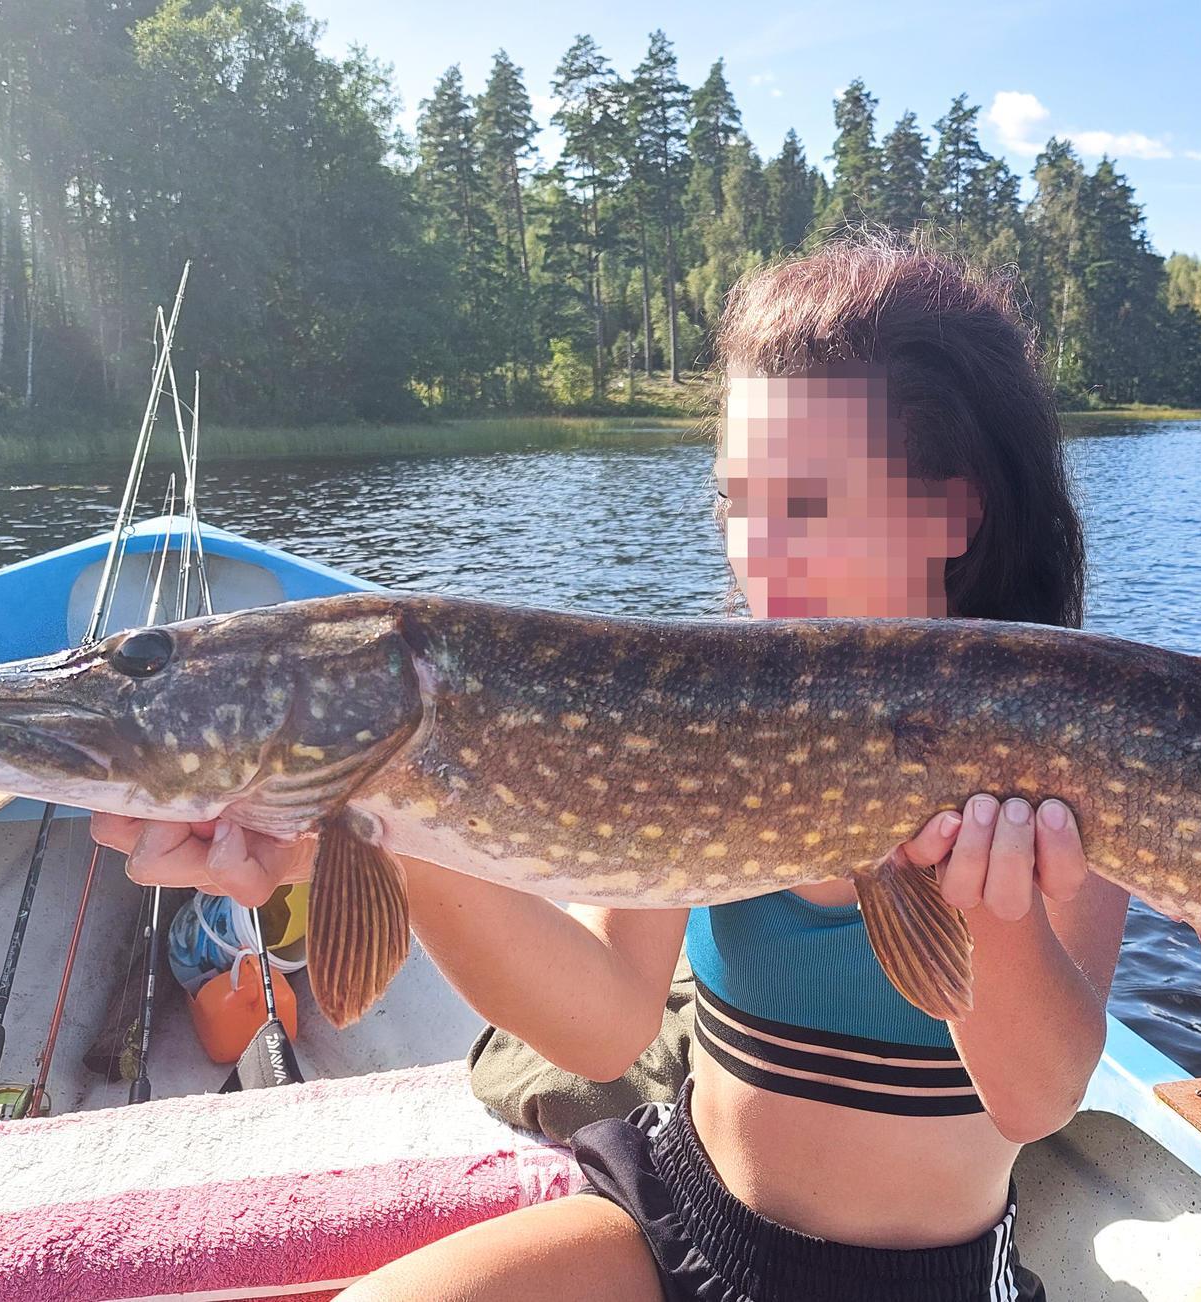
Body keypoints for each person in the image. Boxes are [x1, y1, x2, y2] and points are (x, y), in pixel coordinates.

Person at [91, 228, 1132, 1301]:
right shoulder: (700, 711)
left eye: (808, 504)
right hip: (680, 1223)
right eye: (738, 503)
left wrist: (992, 911)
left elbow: (1035, 1099)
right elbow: (603, 1024)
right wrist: (391, 822)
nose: (760, 556)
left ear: (951, 511)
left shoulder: (1066, 737)